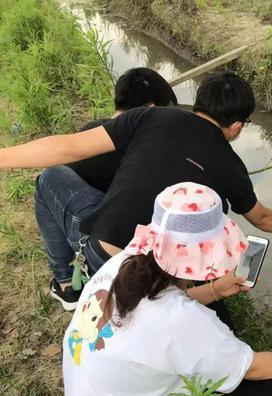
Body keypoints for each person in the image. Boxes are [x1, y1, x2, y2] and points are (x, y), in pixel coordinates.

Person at [0, 71, 272, 311]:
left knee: (51, 177)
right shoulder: (233, 166)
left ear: (199, 103)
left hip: (107, 257)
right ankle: (88, 286)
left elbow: (69, 148)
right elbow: (262, 218)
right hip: (164, 277)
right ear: (238, 126)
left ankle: (67, 284)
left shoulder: (149, 116)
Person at [62, 182, 272, 396]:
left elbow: (152, 314)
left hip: (87, 386)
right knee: (271, 390)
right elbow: (251, 367)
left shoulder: (123, 264)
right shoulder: (185, 322)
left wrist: (214, 290)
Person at [32, 67, 178, 310]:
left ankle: (67, 283)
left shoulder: (89, 133)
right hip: (141, 256)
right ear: (152, 109)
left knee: (48, 179)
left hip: (99, 243)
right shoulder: (157, 149)